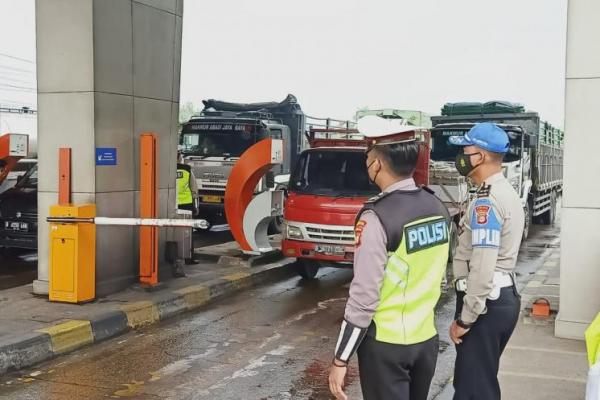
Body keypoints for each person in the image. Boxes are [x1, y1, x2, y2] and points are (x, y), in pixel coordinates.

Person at [329, 117, 451, 400]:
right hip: (426, 339)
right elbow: (439, 273)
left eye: (367, 154)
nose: (367, 161)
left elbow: (364, 296)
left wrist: (340, 359)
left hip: (387, 345)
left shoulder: (377, 218)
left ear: (377, 164)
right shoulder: (436, 206)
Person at [448, 122, 524, 400]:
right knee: (479, 383)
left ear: (480, 156)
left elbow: (482, 265)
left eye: (466, 148)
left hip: (485, 305)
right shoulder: (499, 192)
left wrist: (466, 319)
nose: (461, 154)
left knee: (473, 391)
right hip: (497, 300)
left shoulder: (487, 202)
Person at [175, 154, 199, 277]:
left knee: (172, 231)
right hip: (186, 204)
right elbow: (194, 189)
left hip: (171, 204)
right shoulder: (186, 169)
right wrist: (196, 206)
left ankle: (174, 256)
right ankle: (189, 257)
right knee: (188, 232)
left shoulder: (166, 170)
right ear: (179, 158)